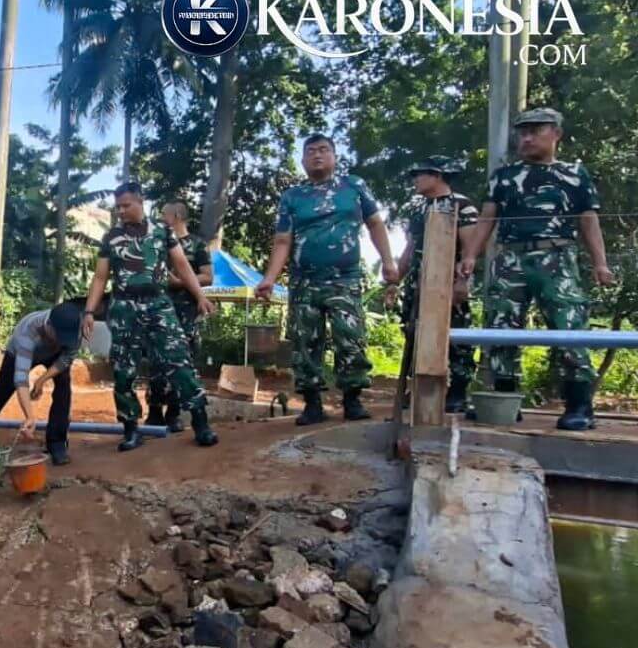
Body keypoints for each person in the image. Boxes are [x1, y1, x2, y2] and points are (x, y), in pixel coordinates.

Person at [458, 107, 614, 431]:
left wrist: (600, 263)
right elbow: (487, 218)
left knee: (568, 328)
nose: (526, 138)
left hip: (557, 257)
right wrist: (471, 256)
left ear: (556, 134)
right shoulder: (504, 176)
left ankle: (579, 406)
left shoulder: (574, 174)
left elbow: (589, 220)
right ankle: (504, 402)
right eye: (522, 132)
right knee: (500, 327)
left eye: (535, 131)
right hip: (510, 258)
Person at [255, 133, 399, 426]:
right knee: (306, 342)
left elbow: (374, 223)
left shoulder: (353, 186)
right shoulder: (293, 196)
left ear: (334, 156)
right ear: (303, 160)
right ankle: (312, 404)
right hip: (304, 281)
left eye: (323, 150)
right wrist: (269, 279)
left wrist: (388, 261)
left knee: (350, 337)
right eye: (311, 152)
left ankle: (352, 399)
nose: (317, 155)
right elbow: (283, 240)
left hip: (345, 278)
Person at [83, 181, 219, 451]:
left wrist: (200, 296)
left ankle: (201, 423)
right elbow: (100, 278)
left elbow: (182, 266)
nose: (121, 211)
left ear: (140, 201)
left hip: (159, 305)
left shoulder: (162, 232)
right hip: (124, 309)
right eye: (118, 206)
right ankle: (131, 430)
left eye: (126, 205)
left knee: (180, 362)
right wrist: (89, 311)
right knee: (123, 372)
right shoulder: (111, 237)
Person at [387, 156, 480, 413]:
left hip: (448, 284)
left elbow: (471, 246)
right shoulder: (418, 209)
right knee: (414, 333)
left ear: (438, 175)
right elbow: (410, 247)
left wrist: (463, 281)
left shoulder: (462, 205)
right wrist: (395, 281)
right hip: (418, 285)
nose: (416, 179)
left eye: (420, 174)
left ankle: (458, 391)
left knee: (456, 338)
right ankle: (420, 388)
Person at [0, 302, 84, 466]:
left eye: (66, 338)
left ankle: (57, 444)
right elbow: (20, 379)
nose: (63, 341)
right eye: (60, 337)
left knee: (64, 388)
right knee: (0, 391)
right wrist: (30, 416)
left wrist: (42, 379)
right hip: (19, 353)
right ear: (49, 326)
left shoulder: (74, 331)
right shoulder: (28, 332)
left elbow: (66, 359)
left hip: (54, 355)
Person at [146, 201, 214, 433]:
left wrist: (181, 281)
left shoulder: (197, 245)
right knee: (156, 360)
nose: (160, 217)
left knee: (182, 361)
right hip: (158, 310)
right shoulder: (158, 243)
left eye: (163, 213)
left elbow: (208, 277)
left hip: (185, 312)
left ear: (175, 216)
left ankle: (174, 413)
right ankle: (154, 411)